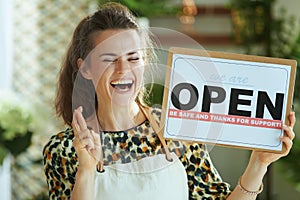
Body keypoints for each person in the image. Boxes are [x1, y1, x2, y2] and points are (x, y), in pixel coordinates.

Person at [43, 2, 296, 200]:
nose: (123, 70)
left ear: (146, 62)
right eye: (109, 59)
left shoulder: (176, 127)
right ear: (85, 68)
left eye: (133, 58)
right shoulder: (64, 150)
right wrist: (86, 169)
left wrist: (259, 163)